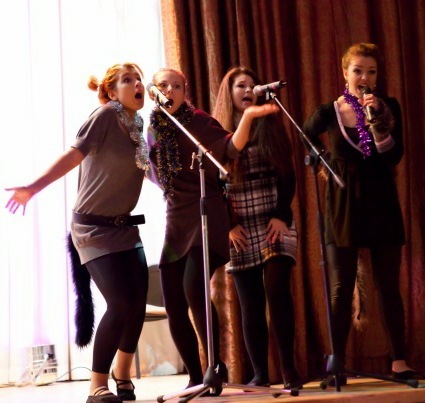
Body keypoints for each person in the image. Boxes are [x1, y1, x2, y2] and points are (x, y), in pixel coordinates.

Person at [5, 63, 150, 403]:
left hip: (125, 228)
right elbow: (74, 155)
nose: (137, 84)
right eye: (127, 80)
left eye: (139, 79)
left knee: (137, 305)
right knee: (120, 303)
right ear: (111, 92)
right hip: (93, 228)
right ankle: (96, 386)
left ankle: (123, 375)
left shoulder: (138, 124)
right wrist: (33, 187)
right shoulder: (105, 115)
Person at [146, 68, 279, 391]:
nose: (170, 90)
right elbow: (148, 171)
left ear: (185, 92)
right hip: (176, 217)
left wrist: (249, 117)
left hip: (207, 213)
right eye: (164, 85)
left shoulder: (199, 122)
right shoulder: (151, 129)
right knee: (173, 299)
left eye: (177, 86)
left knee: (194, 288)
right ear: (154, 92)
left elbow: (231, 148)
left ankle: (214, 367)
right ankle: (195, 377)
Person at [302, 42, 424, 382]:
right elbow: (306, 133)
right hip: (343, 203)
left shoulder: (388, 107)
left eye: (371, 71)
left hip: (381, 200)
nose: (365, 77)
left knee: (388, 285)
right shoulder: (329, 111)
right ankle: (337, 363)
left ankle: (399, 361)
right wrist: (327, 163)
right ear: (345, 73)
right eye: (358, 70)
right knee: (341, 287)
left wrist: (378, 123)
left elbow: (394, 156)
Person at [212, 67, 302, 390]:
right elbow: (215, 185)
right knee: (250, 302)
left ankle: (289, 370)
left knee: (277, 290)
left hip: (272, 220)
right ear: (229, 93)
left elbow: (287, 173)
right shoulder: (218, 132)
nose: (248, 90)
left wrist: (281, 214)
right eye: (241, 85)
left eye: (253, 85)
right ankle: (260, 373)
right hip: (240, 226)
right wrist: (229, 225)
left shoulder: (271, 127)